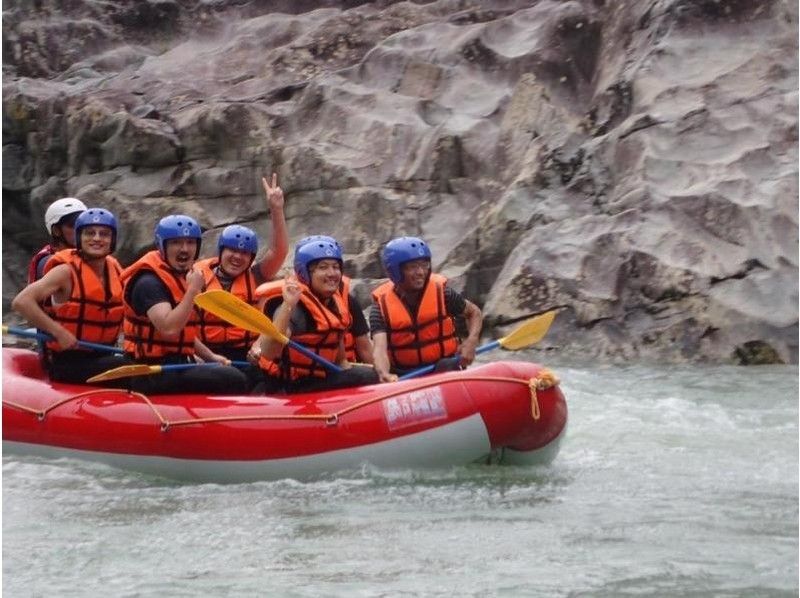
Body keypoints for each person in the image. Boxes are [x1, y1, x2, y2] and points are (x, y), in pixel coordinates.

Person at [120, 214, 248, 395]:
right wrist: (193, 291)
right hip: (149, 370)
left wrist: (209, 356)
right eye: (176, 243)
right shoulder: (148, 282)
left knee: (237, 372)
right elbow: (169, 328)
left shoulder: (179, 276)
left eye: (190, 243)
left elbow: (183, 331)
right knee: (233, 379)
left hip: (176, 363)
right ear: (162, 246)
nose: (184, 249)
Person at [12, 208, 132, 384]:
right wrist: (58, 332)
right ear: (79, 238)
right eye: (90, 233)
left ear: (112, 240)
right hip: (69, 362)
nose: (97, 238)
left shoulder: (114, 268)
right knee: (127, 367)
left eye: (104, 234)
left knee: (135, 364)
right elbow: (21, 302)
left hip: (104, 353)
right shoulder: (65, 271)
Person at [256, 238, 378, 393]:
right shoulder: (295, 307)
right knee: (367, 377)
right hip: (292, 386)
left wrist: (381, 373)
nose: (332, 273)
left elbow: (341, 362)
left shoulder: (334, 304)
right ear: (305, 273)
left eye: (336, 267)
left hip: (322, 379)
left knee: (373, 373)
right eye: (323, 267)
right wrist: (288, 305)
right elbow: (268, 351)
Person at [195, 174, 289, 367]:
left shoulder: (256, 276)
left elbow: (279, 251)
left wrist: (276, 209)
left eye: (244, 253)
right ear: (221, 252)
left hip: (246, 355)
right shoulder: (196, 277)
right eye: (232, 250)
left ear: (251, 258)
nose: (238, 257)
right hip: (205, 354)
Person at [370, 236, 483, 382]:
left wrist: (471, 341)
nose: (421, 272)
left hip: (442, 367)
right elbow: (379, 349)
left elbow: (474, 313)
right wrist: (383, 373)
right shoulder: (380, 308)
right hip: (404, 374)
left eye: (424, 265)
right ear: (395, 271)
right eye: (412, 267)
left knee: (448, 365)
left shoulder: (443, 294)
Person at [28, 197, 88, 283]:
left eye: (83, 224)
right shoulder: (50, 263)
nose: (80, 229)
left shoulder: (88, 255)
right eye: (73, 225)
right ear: (56, 230)